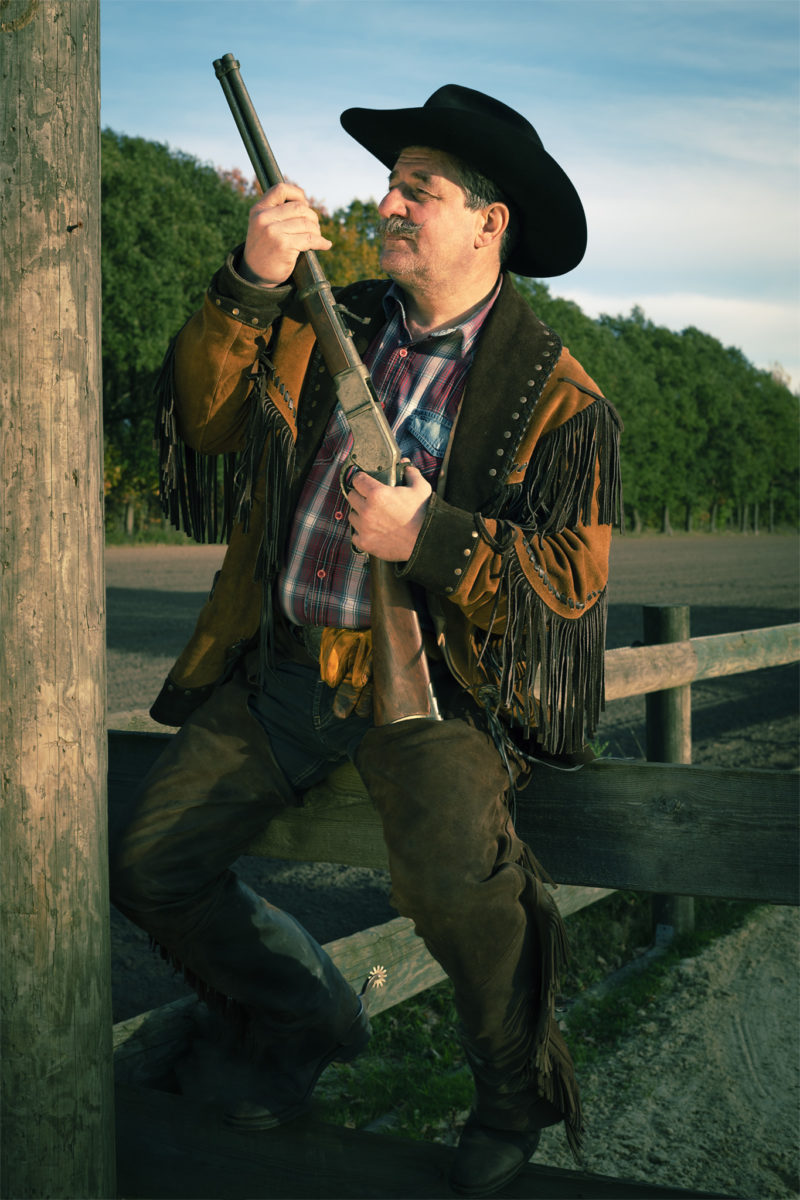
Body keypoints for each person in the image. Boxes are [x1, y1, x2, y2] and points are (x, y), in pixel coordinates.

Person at [110, 84, 622, 1197]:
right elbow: (198, 420)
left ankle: (507, 1090)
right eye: (389, 186)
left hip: (436, 691)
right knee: (150, 860)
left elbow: (570, 585)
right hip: (289, 663)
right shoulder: (310, 316)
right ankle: (301, 1016)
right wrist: (248, 277)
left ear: (488, 223)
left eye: (415, 192)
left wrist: (427, 534)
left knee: (459, 879)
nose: (384, 204)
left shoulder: (561, 398)